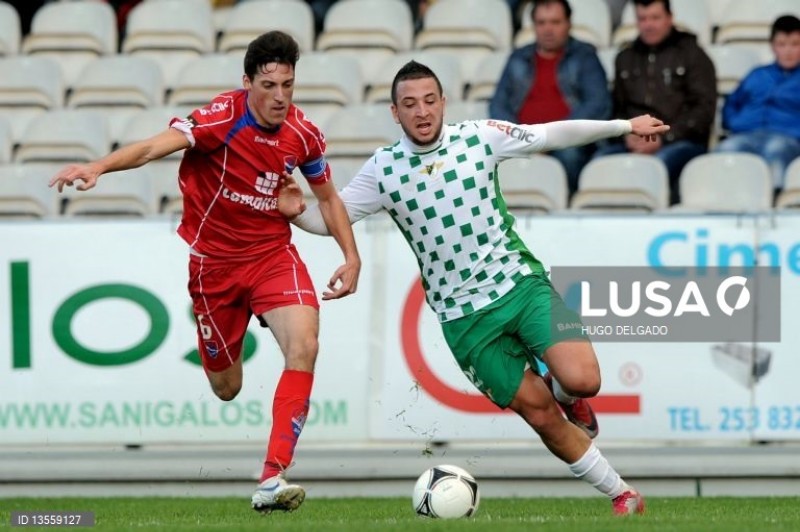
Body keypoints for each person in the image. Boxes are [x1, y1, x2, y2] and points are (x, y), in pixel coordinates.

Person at [281, 60, 668, 515]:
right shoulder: (384, 170)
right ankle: (622, 494)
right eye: (409, 104)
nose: (422, 112)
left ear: (443, 102)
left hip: (523, 285)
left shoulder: (480, 136)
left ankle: (567, 394)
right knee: (539, 413)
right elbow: (330, 217)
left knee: (585, 379)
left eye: (429, 101)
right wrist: (297, 211)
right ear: (394, 112)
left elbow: (550, 134)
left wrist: (624, 124)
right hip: (466, 323)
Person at [48, 31, 361, 514]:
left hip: (272, 255)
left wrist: (351, 256)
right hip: (213, 266)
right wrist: (99, 166)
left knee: (306, 344)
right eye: (269, 85)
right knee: (226, 387)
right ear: (247, 82)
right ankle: (216, 339)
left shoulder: (304, 134)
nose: (279, 97)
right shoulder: (221, 117)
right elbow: (156, 146)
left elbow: (328, 198)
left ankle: (273, 476)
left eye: (288, 86)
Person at [593, 0, 716, 204]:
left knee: (655, 167)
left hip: (682, 141)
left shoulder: (693, 55)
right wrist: (627, 134)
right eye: (642, 19)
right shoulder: (625, 57)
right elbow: (617, 109)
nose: (648, 25)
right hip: (634, 141)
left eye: (655, 18)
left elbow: (703, 111)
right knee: (598, 163)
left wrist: (664, 137)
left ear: (670, 18)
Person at [490, 0, 611, 194]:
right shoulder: (518, 57)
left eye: (555, 22)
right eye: (541, 22)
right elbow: (498, 104)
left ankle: (566, 202)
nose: (548, 29)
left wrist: (551, 137)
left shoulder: (585, 56)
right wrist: (520, 137)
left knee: (570, 154)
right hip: (522, 140)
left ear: (569, 23)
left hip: (566, 141)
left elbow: (598, 104)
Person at [715, 15, 800, 195]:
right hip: (746, 134)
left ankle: (773, 205)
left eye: (795, 44)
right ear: (772, 46)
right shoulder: (757, 74)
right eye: (782, 44)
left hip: (785, 137)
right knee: (726, 149)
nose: (788, 51)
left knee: (775, 151)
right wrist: (735, 122)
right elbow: (732, 103)